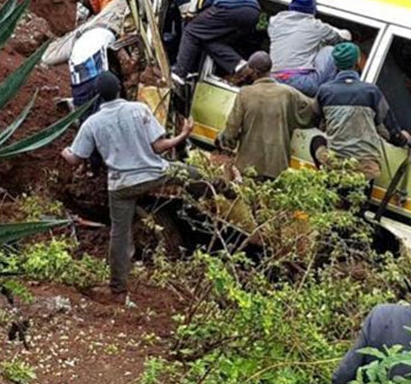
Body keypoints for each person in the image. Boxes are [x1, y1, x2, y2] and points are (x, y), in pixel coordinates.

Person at [61, 71, 193, 297]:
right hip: (155, 174)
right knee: (194, 175)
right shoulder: (138, 109)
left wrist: (65, 152)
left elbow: (76, 159)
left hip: (121, 186)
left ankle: (118, 287)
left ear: (98, 96)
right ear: (120, 88)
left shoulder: (92, 123)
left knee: (120, 234)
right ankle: (222, 191)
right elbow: (159, 147)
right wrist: (183, 135)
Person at [314, 43, 409, 180]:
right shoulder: (371, 92)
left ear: (335, 63)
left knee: (316, 141)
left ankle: (324, 179)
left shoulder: (325, 91)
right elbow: (391, 129)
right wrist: (402, 138)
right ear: (357, 61)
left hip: (336, 165)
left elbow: (316, 120)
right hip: (366, 170)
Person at [217, 51, 317, 179]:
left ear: (254, 72)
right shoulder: (287, 93)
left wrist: (227, 142)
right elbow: (312, 108)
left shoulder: (245, 93)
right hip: (277, 166)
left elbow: (232, 127)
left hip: (249, 165)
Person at [162, 0, 260, 85]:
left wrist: (179, 60)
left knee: (191, 31)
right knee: (207, 39)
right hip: (252, 11)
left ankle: (180, 73)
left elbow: (187, 24)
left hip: (231, 7)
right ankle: (238, 65)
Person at [268, 0, 352, 97]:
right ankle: (326, 97)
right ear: (312, 11)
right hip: (300, 83)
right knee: (330, 51)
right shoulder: (316, 26)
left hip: (273, 80)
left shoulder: (275, 22)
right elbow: (340, 39)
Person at [68, 26, 116, 121]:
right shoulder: (108, 36)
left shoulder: (84, 39)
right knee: (101, 109)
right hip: (92, 73)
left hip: (78, 79)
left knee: (85, 113)